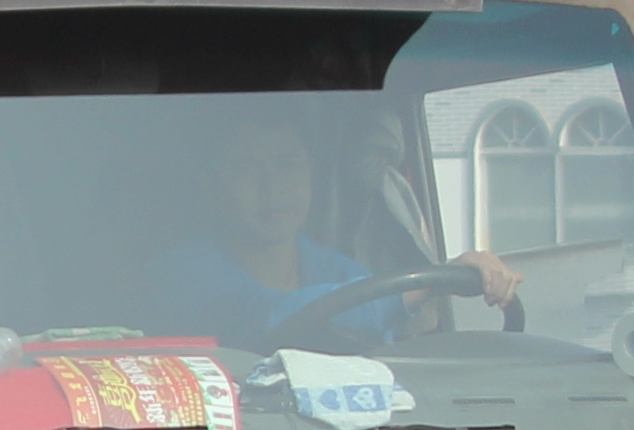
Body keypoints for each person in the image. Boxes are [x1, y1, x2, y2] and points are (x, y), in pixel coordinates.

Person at [143, 100, 519, 346]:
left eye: (288, 166)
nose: (273, 187)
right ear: (210, 186)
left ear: (311, 175)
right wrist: (429, 282)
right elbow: (262, 316)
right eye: (246, 169)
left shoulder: (339, 270)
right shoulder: (180, 273)